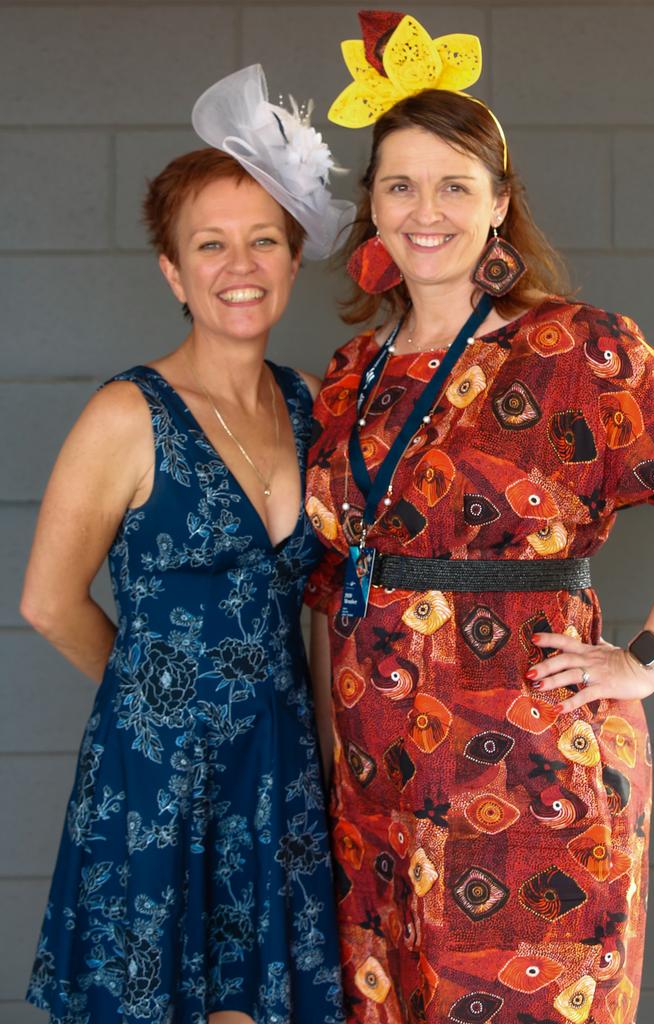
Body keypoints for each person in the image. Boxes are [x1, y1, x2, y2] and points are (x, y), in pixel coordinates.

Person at [304, 11, 654, 1024]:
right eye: (401, 184)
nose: (427, 209)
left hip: (529, 780)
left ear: (499, 203)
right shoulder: (349, 379)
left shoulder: (577, 353)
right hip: (374, 798)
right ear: (373, 209)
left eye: (455, 185)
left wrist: (649, 656)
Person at [22, 65, 353, 1024]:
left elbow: (326, 603)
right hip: (160, 781)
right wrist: (154, 704)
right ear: (173, 270)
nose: (238, 265)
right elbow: (47, 601)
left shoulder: (311, 408)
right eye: (210, 245)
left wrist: (330, 760)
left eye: (263, 242)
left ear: (293, 261)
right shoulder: (126, 414)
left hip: (284, 772)